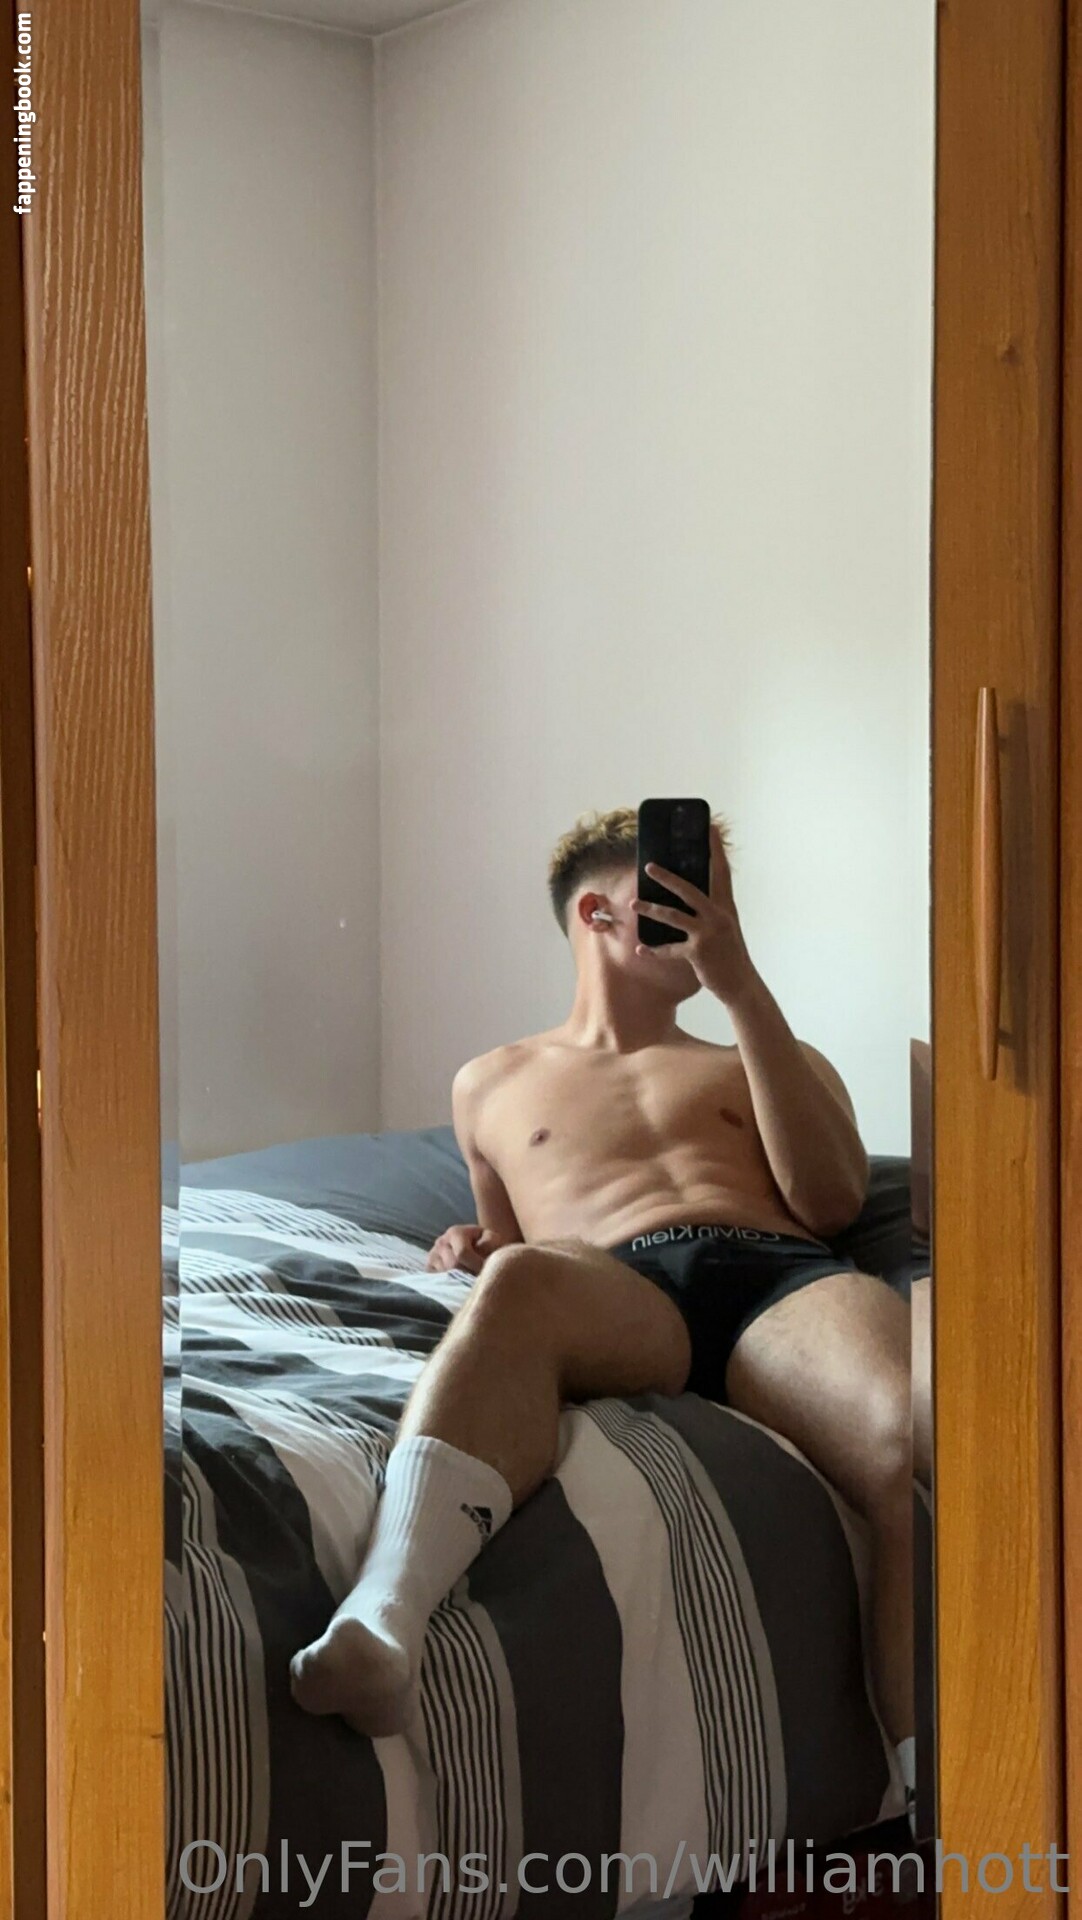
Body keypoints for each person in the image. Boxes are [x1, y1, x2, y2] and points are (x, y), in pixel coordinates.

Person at [291, 807, 920, 1802]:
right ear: (599, 914)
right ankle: (382, 1622)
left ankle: (943, 1801)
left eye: (719, 895)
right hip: (620, 1286)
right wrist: (475, 1244)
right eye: (681, 889)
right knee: (516, 1284)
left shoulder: (761, 1052)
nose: (711, 913)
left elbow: (833, 1201)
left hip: (777, 1277)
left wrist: (740, 987)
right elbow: (514, 1242)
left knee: (901, 1447)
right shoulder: (490, 1082)